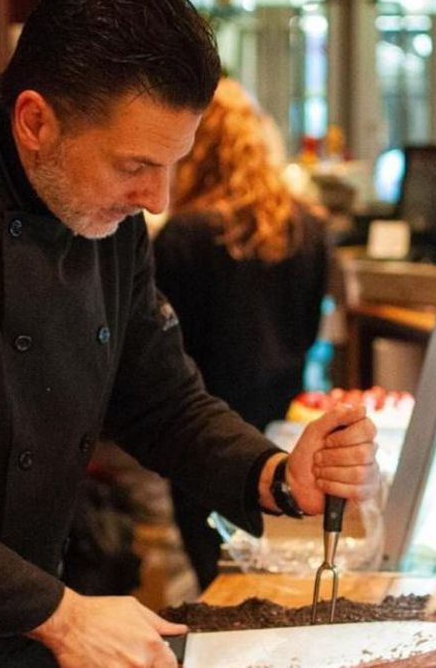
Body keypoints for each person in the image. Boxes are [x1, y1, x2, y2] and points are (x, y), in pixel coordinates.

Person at [0, 0, 379, 667]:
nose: (156, 198)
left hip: (20, 625)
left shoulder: (104, 219)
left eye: (173, 166)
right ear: (35, 121)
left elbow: (162, 401)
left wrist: (271, 474)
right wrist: (59, 613)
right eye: (136, 166)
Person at [154, 78, 330, 590]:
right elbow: (309, 330)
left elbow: (164, 352)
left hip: (202, 433)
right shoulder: (309, 227)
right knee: (274, 574)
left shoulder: (186, 235)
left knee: (219, 576)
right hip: (284, 423)